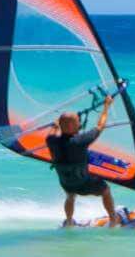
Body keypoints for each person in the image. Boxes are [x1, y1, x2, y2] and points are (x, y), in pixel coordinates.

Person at [46, 95, 121, 227]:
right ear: (72, 126)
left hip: (66, 182)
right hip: (84, 183)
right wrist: (106, 106)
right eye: (77, 122)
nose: (80, 124)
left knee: (70, 196)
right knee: (106, 191)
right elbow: (100, 126)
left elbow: (54, 129)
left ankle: (69, 221)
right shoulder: (81, 141)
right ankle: (113, 219)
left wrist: (57, 124)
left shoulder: (51, 141)